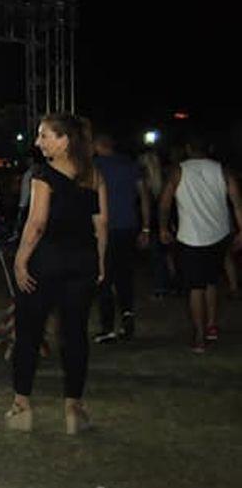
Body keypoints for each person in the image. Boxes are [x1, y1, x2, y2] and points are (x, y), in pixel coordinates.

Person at [9, 114, 106, 434]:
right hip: (82, 263)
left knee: (29, 334)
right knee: (75, 335)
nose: (38, 142)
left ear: (64, 141)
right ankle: (73, 409)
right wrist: (101, 261)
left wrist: (21, 260)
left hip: (46, 261)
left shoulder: (43, 175)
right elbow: (100, 224)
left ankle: (22, 406)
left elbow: (36, 224)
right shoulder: (92, 174)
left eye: (44, 136)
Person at [159, 137, 242, 354]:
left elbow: (165, 202)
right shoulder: (222, 170)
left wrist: (162, 227)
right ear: (210, 149)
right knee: (211, 281)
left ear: (188, 148)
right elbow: (237, 202)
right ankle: (211, 325)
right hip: (219, 233)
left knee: (196, 287)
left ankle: (199, 335)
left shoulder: (179, 171)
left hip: (191, 236)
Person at [93, 133, 148, 343]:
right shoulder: (131, 165)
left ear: (99, 144)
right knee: (125, 274)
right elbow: (143, 196)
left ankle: (108, 326)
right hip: (128, 226)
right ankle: (127, 315)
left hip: (104, 228)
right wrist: (145, 228)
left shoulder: (95, 166)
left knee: (104, 276)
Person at [139, 149, 174, 298]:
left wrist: (145, 228)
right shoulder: (166, 178)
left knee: (157, 256)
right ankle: (173, 284)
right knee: (167, 255)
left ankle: (161, 287)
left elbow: (144, 204)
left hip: (154, 222)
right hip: (166, 221)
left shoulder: (144, 182)